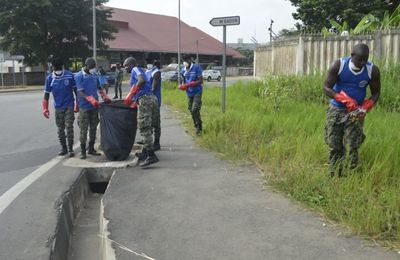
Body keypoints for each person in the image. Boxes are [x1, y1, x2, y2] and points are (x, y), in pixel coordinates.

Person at [323, 43, 380, 176]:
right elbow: (326, 87)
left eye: (365, 59)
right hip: (336, 110)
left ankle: (349, 175)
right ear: (352, 55)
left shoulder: (373, 70)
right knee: (334, 144)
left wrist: (366, 106)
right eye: (359, 59)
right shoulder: (339, 65)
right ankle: (333, 172)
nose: (362, 62)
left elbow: (376, 93)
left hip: (356, 112)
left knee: (352, 145)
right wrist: (343, 99)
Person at [123, 57, 159, 167]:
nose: (125, 68)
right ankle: (145, 152)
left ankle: (151, 155)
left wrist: (131, 94)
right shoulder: (141, 70)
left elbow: (141, 80)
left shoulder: (135, 69)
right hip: (151, 98)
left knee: (144, 127)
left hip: (145, 99)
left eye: (126, 65)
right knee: (149, 125)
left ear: (131, 64)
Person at [74, 58, 111, 159]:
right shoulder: (79, 76)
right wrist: (89, 99)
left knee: (94, 127)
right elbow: (80, 92)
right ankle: (82, 151)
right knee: (84, 129)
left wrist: (104, 95)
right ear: (86, 65)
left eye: (94, 67)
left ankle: (91, 148)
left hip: (94, 106)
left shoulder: (94, 75)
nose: (93, 69)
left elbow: (99, 87)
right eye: (91, 67)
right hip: (84, 107)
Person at [42, 57, 79, 157]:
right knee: (60, 129)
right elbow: (47, 94)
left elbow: (76, 90)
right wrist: (45, 108)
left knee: (69, 127)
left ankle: (70, 148)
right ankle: (64, 148)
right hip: (58, 107)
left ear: (52, 66)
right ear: (62, 65)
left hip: (69, 106)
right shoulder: (50, 78)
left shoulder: (69, 76)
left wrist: (77, 104)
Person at [178, 54, 204, 135]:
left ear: (190, 60)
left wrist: (189, 84)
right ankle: (196, 125)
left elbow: (200, 81)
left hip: (197, 91)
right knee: (191, 109)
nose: (185, 62)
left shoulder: (196, 68)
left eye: (186, 60)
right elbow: (182, 80)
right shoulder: (183, 70)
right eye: (183, 61)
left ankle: (199, 128)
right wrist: (181, 85)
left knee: (195, 109)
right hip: (189, 92)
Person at [145, 59, 162, 151]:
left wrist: (146, 94)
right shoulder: (147, 71)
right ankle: (148, 140)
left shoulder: (156, 72)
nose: (148, 64)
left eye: (149, 62)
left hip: (155, 99)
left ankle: (157, 142)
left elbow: (153, 87)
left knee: (156, 121)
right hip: (147, 99)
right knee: (148, 120)